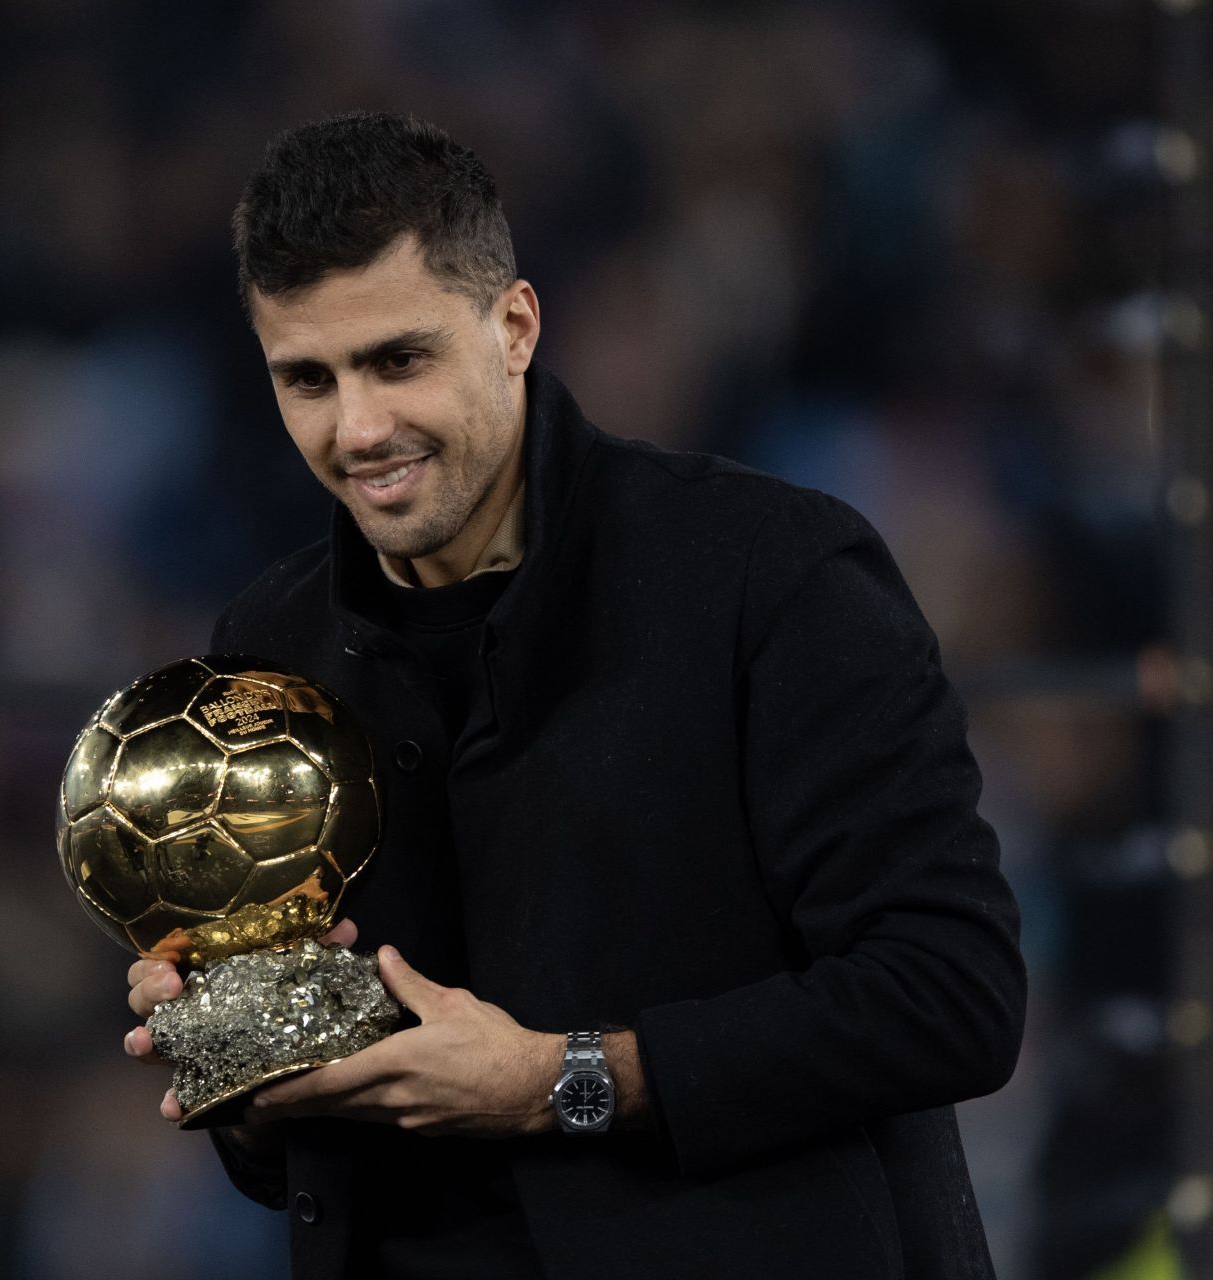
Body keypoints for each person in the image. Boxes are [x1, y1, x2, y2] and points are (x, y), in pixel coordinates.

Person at [122, 111, 1026, 1279]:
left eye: (399, 359)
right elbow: (299, 1160)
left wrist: (563, 1080)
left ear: (513, 326)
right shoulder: (268, 646)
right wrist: (238, 1056)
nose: (358, 429)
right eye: (308, 378)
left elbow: (948, 992)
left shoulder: (769, 572)